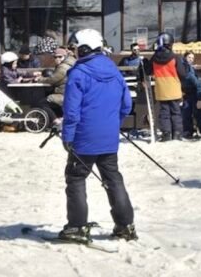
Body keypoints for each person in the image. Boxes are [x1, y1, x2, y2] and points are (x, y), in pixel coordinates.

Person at [58, 28, 136, 243]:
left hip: (84, 137)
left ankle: (76, 226)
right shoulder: (114, 71)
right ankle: (125, 225)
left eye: (75, 49)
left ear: (83, 49)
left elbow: (71, 111)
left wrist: (67, 137)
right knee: (113, 178)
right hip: (109, 137)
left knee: (75, 178)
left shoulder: (78, 73)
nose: (74, 53)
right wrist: (113, 124)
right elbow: (126, 104)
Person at [147, 32, 186, 141]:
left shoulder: (154, 58)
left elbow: (148, 71)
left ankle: (166, 134)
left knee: (164, 113)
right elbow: (182, 73)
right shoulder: (175, 57)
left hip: (161, 89)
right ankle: (177, 134)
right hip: (174, 88)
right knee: (176, 112)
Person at [181, 51, 201, 139]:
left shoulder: (190, 69)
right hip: (186, 93)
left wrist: (200, 99)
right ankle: (188, 131)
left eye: (192, 58)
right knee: (186, 112)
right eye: (189, 57)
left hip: (195, 93)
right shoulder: (184, 67)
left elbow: (198, 84)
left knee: (197, 112)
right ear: (185, 57)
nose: (191, 60)